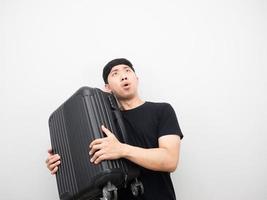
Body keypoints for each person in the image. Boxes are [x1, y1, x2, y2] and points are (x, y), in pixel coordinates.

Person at [46, 58, 184, 200]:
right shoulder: (100, 122)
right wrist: (62, 163)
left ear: (136, 79)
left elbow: (170, 160)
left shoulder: (162, 111)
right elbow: (89, 161)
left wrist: (122, 150)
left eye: (127, 71)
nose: (123, 76)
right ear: (107, 88)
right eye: (115, 74)